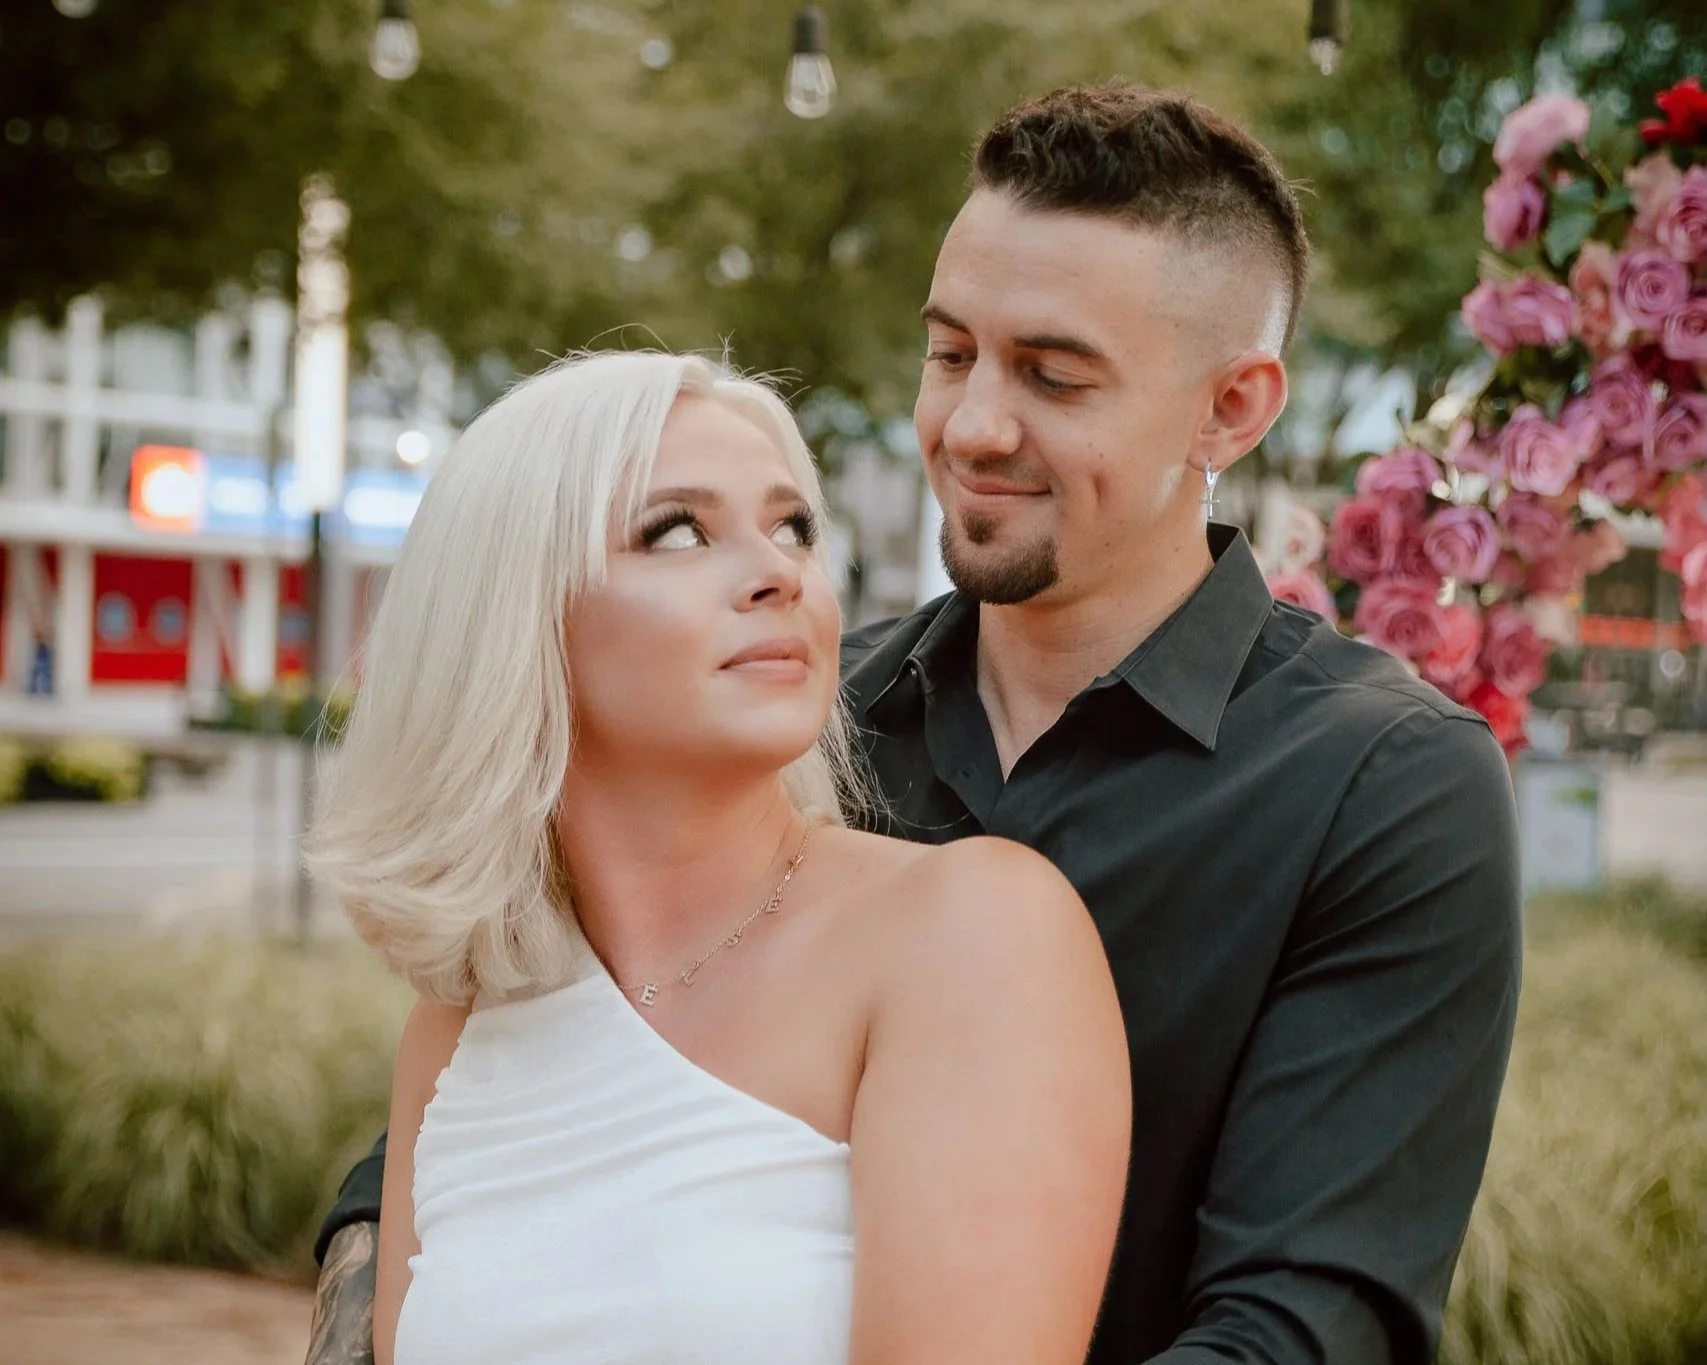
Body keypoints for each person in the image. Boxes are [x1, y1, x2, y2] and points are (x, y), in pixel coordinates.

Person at [309, 84, 1523, 1365]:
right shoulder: (783, 714)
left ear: (1231, 408)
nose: (973, 427)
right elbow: (525, 1084)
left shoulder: (1382, 783)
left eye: (1054, 376)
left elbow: (1305, 1327)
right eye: (950, 355)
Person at [303, 349, 1132, 1365]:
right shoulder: (460, 1028)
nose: (781, 572)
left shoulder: (970, 932)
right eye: (678, 531)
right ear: (514, 614)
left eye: (793, 528)